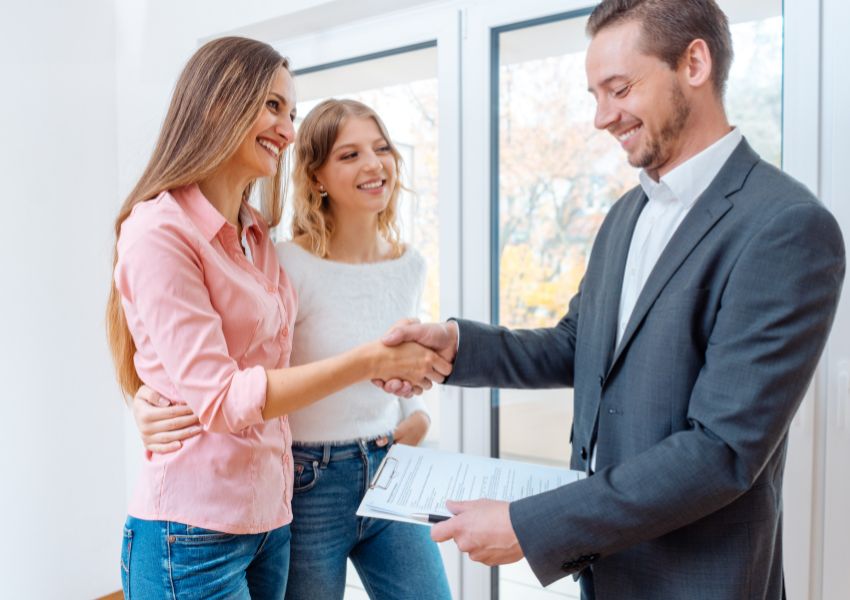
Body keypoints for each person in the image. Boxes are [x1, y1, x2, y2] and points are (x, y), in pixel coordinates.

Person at [376, 1, 846, 598]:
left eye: (619, 89)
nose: (602, 117)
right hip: (606, 570)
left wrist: (532, 525)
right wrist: (458, 348)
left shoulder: (787, 225)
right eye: (594, 95)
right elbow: (582, 346)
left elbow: (721, 450)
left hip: (698, 581)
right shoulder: (628, 212)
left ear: (694, 63)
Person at [107, 38, 450, 600]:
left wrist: (408, 410)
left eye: (290, 113)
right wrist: (368, 361)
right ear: (218, 103)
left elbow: (271, 356)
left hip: (271, 515)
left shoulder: (255, 235)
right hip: (195, 527)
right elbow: (218, 394)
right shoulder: (160, 230)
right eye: (273, 107)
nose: (288, 130)